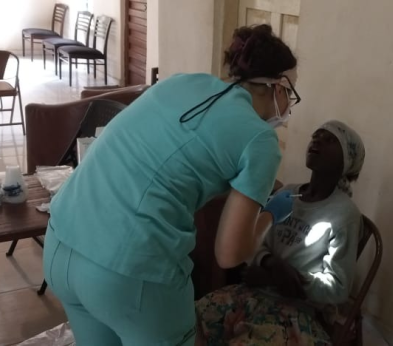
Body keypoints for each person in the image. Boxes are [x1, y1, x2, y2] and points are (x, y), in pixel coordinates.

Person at [43, 24, 300, 346]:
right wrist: (271, 213)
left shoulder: (182, 83)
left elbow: (169, 158)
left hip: (61, 243)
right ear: (278, 86)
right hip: (125, 273)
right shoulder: (260, 140)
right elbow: (230, 253)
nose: (288, 104)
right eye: (290, 93)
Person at [195, 120, 366, 346]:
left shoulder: (344, 215)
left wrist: (278, 278)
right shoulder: (286, 193)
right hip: (251, 295)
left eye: (330, 140)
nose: (317, 140)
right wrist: (270, 263)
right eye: (316, 135)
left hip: (296, 312)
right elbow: (254, 242)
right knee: (189, 322)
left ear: (346, 161)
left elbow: (337, 287)